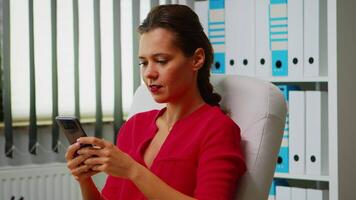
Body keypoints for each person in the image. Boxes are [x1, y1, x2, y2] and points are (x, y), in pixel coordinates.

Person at [65, 4, 246, 200]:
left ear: (197, 59)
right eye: (143, 63)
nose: (149, 73)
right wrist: (85, 180)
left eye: (161, 60)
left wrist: (133, 170)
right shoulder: (134, 126)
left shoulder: (218, 129)